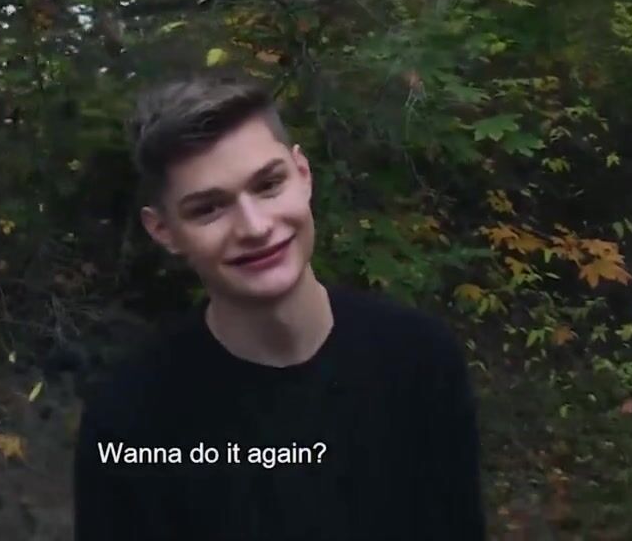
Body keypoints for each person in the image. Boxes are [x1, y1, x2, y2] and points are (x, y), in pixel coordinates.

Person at [73, 70, 486, 540]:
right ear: (164, 231)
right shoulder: (129, 421)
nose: (254, 227)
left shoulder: (420, 360)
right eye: (208, 208)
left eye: (268, 184)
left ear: (303, 175)